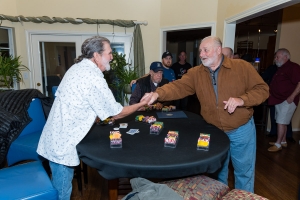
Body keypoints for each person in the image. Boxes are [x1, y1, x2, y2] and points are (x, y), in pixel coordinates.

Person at [142, 36, 269, 192]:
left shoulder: (241, 67)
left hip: (240, 130)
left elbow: (263, 90)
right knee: (217, 173)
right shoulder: (196, 73)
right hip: (215, 132)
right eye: (200, 50)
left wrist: (242, 100)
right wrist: (157, 94)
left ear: (218, 50)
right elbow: (178, 86)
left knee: (244, 172)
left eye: (205, 50)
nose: (201, 54)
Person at [36, 36, 153, 200]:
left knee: (58, 186)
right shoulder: (93, 77)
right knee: (61, 192)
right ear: (97, 55)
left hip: (54, 137)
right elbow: (117, 113)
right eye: (109, 53)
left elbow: (83, 102)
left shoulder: (77, 68)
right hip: (62, 144)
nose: (112, 57)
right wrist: (140, 105)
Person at [267, 48, 300, 152]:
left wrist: (292, 96)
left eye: (277, 56)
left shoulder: (294, 67)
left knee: (281, 122)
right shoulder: (281, 68)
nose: (275, 59)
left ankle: (278, 144)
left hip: (287, 100)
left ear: (285, 57)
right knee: (282, 121)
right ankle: (283, 141)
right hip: (278, 99)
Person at [261, 62, 293, 141]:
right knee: (275, 117)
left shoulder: (292, 68)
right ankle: (276, 135)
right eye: (275, 57)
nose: (276, 59)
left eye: (277, 57)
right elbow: (263, 78)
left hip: (286, 98)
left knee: (284, 119)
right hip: (274, 96)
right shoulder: (272, 68)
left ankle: (282, 140)